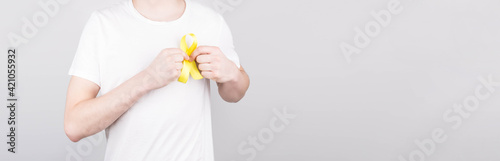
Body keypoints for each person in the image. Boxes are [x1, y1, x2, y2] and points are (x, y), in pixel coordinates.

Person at [63, 0, 250, 160]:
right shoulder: (103, 25)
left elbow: (234, 94)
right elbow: (75, 126)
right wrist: (147, 79)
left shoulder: (211, 22)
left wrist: (232, 73)